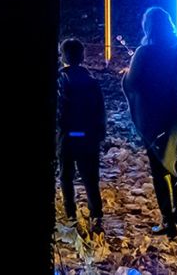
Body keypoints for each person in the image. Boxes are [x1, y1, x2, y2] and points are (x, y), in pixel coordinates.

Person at [123, 7, 177, 239]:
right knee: (176, 158)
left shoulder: (143, 52)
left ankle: (167, 222)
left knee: (159, 169)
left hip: (155, 119)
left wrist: (125, 74)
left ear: (147, 26)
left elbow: (131, 84)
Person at [57, 38, 106, 232]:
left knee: (66, 177)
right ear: (83, 56)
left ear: (63, 57)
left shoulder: (60, 80)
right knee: (90, 179)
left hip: (67, 136)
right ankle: (96, 216)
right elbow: (100, 110)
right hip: (88, 137)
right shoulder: (92, 81)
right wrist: (99, 133)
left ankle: (71, 215)